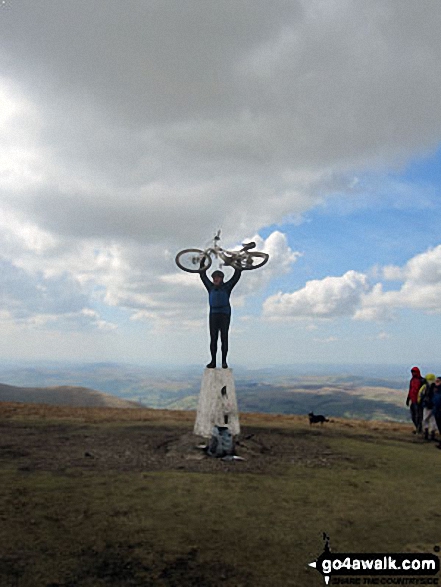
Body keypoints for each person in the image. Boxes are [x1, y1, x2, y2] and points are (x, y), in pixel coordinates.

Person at [200, 267, 241, 369]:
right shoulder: (210, 287)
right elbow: (202, 275)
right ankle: (213, 361)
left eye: (217, 278)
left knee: (224, 338)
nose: (215, 280)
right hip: (213, 314)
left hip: (224, 314)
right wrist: (203, 262)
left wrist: (237, 266)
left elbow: (236, 276)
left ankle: (224, 361)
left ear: (222, 278)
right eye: (214, 278)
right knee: (213, 338)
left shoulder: (227, 287)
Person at [418, 373, 437, 441]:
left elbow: (420, 394)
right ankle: (432, 434)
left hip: (426, 406)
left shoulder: (425, 387)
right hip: (434, 406)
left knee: (425, 419)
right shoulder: (436, 387)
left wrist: (420, 402)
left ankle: (426, 433)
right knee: (433, 420)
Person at [406, 367, 424, 433]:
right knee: (413, 416)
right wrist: (408, 399)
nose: (413, 373)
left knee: (418, 416)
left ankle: (419, 429)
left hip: (419, 401)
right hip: (413, 401)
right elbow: (410, 390)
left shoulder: (422, 380)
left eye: (414, 372)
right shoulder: (412, 380)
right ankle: (418, 428)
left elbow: (424, 391)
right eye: (412, 372)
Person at [432, 377, 441, 449]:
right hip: (437, 412)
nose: (436, 383)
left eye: (438, 381)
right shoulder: (436, 391)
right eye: (436, 381)